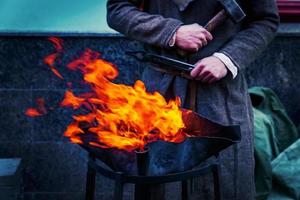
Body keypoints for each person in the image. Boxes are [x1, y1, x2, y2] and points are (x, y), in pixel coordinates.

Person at [106, 0, 279, 199]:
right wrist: (171, 32)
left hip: (220, 95)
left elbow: (265, 20)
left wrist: (226, 59)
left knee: (226, 182)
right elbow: (118, 10)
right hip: (157, 94)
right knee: (156, 182)